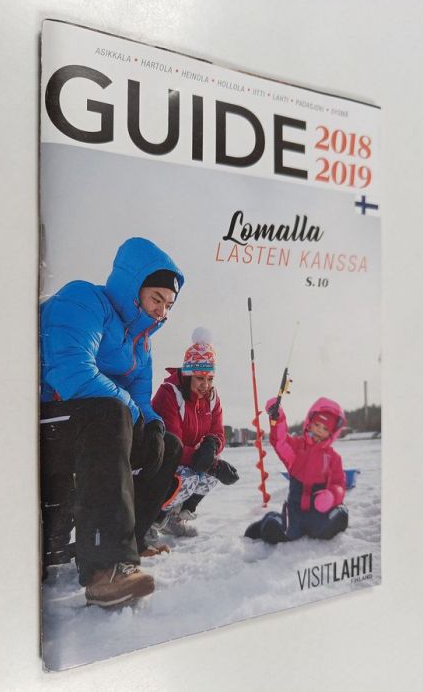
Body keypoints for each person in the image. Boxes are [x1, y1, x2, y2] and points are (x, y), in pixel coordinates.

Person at [39, 237, 185, 607]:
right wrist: (134, 415)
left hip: (94, 422)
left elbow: (140, 397)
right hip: (45, 419)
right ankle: (105, 569)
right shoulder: (84, 300)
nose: (161, 311)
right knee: (112, 413)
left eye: (168, 305)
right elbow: (71, 373)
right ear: (132, 288)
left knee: (168, 444)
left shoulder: (141, 343)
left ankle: (129, 546)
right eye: (156, 299)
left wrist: (152, 425)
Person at [151, 329, 239, 538]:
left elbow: (217, 431)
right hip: (160, 460)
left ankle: (175, 517)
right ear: (188, 374)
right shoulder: (169, 394)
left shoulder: (212, 397)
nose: (205, 385)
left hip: (187, 458)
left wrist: (212, 445)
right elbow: (171, 445)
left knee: (209, 476)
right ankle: (151, 520)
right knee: (189, 477)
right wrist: (207, 462)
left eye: (210, 379)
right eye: (200, 378)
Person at [244, 396, 348, 544]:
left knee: (324, 528)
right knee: (285, 531)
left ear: (332, 433)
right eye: (317, 424)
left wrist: (331, 496)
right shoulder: (296, 448)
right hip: (295, 512)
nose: (320, 430)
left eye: (325, 428)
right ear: (309, 423)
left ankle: (337, 516)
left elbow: (339, 484)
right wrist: (277, 418)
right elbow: (280, 441)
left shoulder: (333, 458)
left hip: (319, 511)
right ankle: (268, 523)